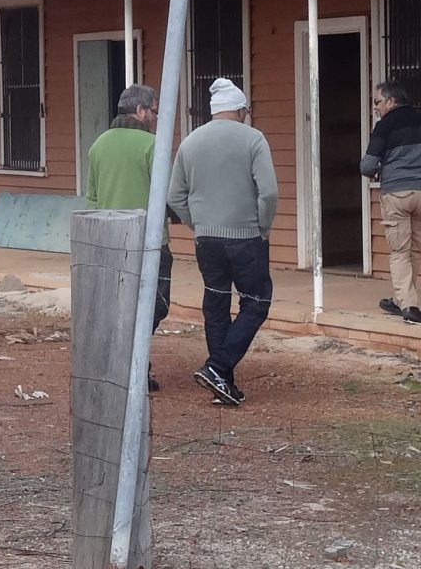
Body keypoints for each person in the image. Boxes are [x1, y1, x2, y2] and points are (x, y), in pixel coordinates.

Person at [168, 76, 278, 407]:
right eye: (246, 110)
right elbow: (269, 192)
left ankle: (222, 381)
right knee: (256, 301)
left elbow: (175, 195)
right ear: (241, 109)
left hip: (207, 241)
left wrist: (194, 222)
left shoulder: (190, 142)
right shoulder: (254, 139)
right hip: (246, 237)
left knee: (216, 305)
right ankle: (218, 366)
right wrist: (263, 226)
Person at [83, 83, 168, 388]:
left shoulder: (98, 145)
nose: (156, 117)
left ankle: (128, 364)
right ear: (141, 110)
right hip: (151, 241)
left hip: (109, 240)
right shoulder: (152, 146)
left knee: (120, 305)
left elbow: (91, 198)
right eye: (154, 110)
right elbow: (165, 193)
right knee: (156, 305)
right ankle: (134, 363)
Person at [359, 76, 421, 323]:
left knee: (399, 251)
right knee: (414, 250)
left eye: (377, 102)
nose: (375, 107)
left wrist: (375, 170)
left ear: (391, 101)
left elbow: (367, 166)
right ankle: (402, 299)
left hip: (396, 193)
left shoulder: (385, 126)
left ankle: (408, 307)